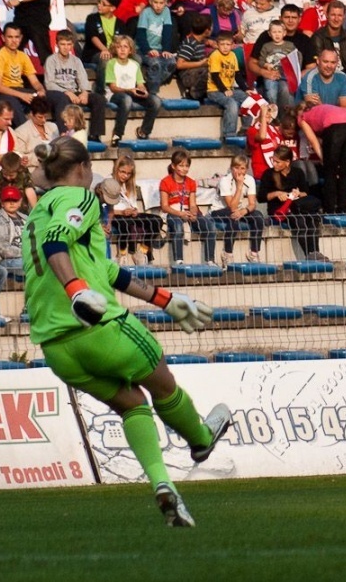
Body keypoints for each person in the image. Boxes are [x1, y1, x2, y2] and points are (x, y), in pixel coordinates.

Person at [22, 136, 230, 526]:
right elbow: (56, 244)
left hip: (56, 349)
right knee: (162, 379)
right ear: (83, 169)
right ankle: (201, 439)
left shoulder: (36, 213)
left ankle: (163, 485)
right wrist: (76, 291)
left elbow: (107, 271)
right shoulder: (80, 199)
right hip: (98, 328)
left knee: (132, 404)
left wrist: (165, 299)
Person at [258, 145, 327, 261]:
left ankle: (315, 251)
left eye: (277, 162)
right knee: (299, 220)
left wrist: (298, 193)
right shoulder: (268, 174)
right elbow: (261, 197)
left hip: (297, 206)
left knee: (312, 218)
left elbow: (306, 192)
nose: (274, 164)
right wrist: (276, 194)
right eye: (273, 161)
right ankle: (309, 254)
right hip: (280, 210)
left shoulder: (297, 172)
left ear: (287, 162)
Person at [297, 102, 346, 213]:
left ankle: (329, 209)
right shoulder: (322, 109)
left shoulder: (302, 118)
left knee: (330, 171)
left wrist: (323, 159)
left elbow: (314, 142)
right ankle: (343, 208)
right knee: (343, 170)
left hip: (334, 126)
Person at [45, 30, 107, 142]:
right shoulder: (51, 60)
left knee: (98, 99)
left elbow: (82, 78)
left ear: (72, 45)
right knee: (62, 98)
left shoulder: (76, 61)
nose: (66, 47)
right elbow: (49, 84)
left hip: (74, 91)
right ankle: (64, 133)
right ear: (57, 44)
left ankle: (95, 135)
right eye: (63, 44)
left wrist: (84, 92)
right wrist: (67, 92)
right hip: (56, 92)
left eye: (68, 44)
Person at [159, 149, 218, 266]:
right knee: (178, 226)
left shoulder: (191, 182)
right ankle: (178, 260)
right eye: (181, 165)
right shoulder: (165, 182)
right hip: (173, 212)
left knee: (210, 226)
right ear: (173, 166)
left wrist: (193, 214)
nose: (184, 168)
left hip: (187, 211)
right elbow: (164, 206)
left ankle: (210, 259)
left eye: (187, 166)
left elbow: (192, 204)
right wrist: (180, 214)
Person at [210, 153, 265, 266]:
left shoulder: (250, 180)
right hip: (220, 210)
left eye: (242, 168)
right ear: (231, 168)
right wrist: (239, 187)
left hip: (238, 209)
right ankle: (227, 253)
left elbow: (252, 204)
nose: (239, 171)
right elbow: (231, 206)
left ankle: (254, 253)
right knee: (233, 216)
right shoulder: (225, 181)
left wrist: (244, 211)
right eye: (236, 168)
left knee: (258, 216)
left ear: (246, 169)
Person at [105, 34, 161, 145]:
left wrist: (143, 91)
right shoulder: (111, 63)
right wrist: (130, 90)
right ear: (115, 49)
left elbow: (140, 84)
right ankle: (118, 134)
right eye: (119, 47)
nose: (122, 50)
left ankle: (144, 131)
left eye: (125, 47)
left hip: (132, 92)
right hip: (116, 94)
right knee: (127, 100)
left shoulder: (135, 64)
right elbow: (113, 87)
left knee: (156, 101)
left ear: (130, 50)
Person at [0, 22, 47, 129]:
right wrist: (21, 95)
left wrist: (41, 90)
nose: (14, 40)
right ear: (3, 38)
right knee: (13, 103)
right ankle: (26, 135)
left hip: (19, 90)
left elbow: (34, 81)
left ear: (21, 38)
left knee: (54, 97)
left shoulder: (23, 56)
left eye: (16, 37)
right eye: (10, 37)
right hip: (3, 93)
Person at [207, 31, 250, 139]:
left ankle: (246, 128)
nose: (225, 47)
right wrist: (224, 89)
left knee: (249, 100)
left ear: (232, 45)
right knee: (232, 103)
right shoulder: (215, 55)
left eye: (228, 44)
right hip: (215, 90)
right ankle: (229, 134)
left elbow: (237, 75)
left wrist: (246, 89)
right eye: (222, 44)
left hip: (229, 89)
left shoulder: (233, 55)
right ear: (217, 45)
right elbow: (215, 76)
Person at [136, 0, 177, 96]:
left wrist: (166, 50)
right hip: (143, 49)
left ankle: (151, 85)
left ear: (166, 3)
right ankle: (153, 94)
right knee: (155, 64)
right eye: (155, 2)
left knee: (172, 62)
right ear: (150, 2)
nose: (158, 6)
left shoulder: (166, 11)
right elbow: (140, 35)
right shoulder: (146, 13)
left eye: (161, 3)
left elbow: (167, 31)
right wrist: (148, 50)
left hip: (158, 48)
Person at [311, 0, 346, 81]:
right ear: (327, 15)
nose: (336, 19)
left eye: (340, 15)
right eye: (333, 15)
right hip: (326, 79)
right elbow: (319, 65)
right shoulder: (318, 37)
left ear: (344, 17)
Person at [0, 150, 33, 232]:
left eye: (11, 175)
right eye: (5, 174)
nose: (8, 178)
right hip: (1, 216)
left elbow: (30, 191)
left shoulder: (24, 174)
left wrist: (36, 210)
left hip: (21, 213)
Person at [258, 20, 299, 106]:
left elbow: (296, 58)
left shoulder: (290, 45)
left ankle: (289, 113)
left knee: (288, 91)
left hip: (286, 75)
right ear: (269, 33)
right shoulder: (266, 46)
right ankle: (273, 109)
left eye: (279, 32)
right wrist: (266, 65)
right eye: (274, 32)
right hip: (271, 75)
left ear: (284, 33)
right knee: (271, 92)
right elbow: (260, 61)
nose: (277, 34)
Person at [7, 0, 51, 64]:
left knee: (45, 56)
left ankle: (52, 76)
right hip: (20, 18)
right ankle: (9, 76)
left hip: (36, 18)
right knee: (11, 53)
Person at [0, 184, 26, 279]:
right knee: (31, 265)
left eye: (14, 200)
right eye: (8, 200)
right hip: (6, 261)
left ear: (20, 202)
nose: (11, 203)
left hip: (26, 256)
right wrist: (26, 252)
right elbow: (3, 249)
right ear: (2, 203)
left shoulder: (26, 219)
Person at [14, 96, 59, 169]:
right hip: (34, 170)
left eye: (46, 117)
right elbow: (19, 157)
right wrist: (41, 157)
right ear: (31, 114)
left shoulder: (53, 127)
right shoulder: (21, 132)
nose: (44, 120)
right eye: (40, 117)